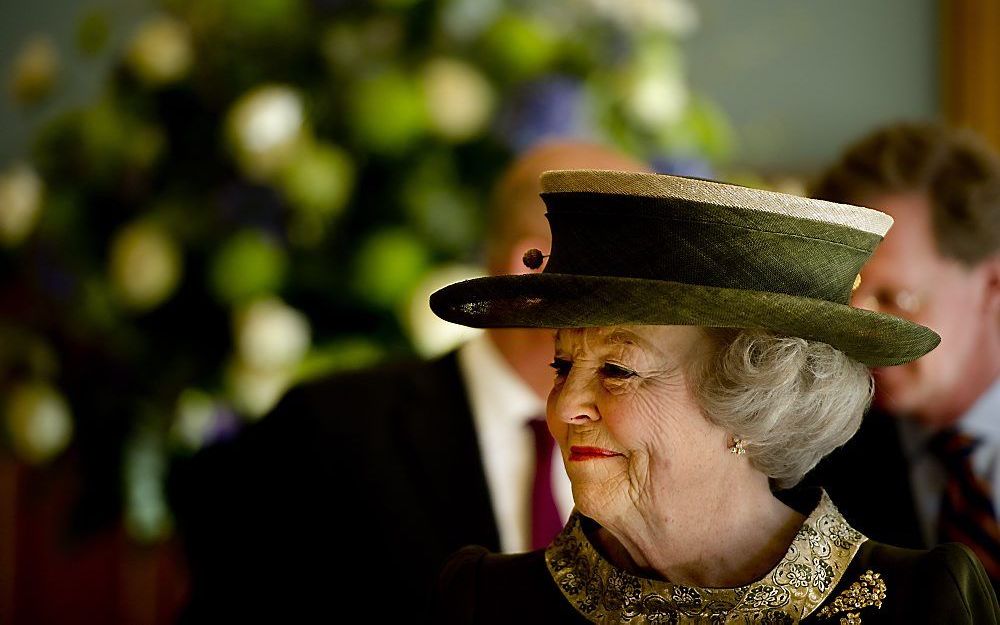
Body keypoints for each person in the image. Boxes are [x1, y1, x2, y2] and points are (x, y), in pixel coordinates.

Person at [428, 169, 999, 623]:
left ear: (753, 400)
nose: (566, 406)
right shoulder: (488, 599)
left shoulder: (918, 602)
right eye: (562, 365)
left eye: (618, 370)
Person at [166, 141, 649, 622]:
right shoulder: (332, 429)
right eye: (627, 266)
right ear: (530, 266)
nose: (651, 298)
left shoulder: (665, 438)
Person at [805, 123, 1000, 590]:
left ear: (993, 287)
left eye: (896, 298)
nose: (858, 333)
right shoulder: (818, 459)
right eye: (842, 298)